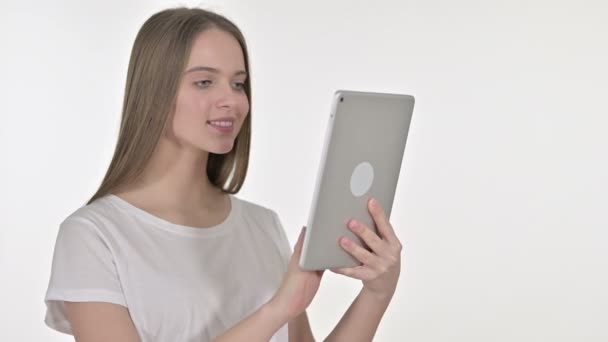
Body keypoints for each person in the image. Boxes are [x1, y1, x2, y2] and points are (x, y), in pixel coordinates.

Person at [44, 7, 403, 342]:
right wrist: (277, 309)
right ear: (155, 91)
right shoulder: (94, 237)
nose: (231, 100)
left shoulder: (263, 227)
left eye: (238, 83)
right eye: (204, 82)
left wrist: (377, 293)